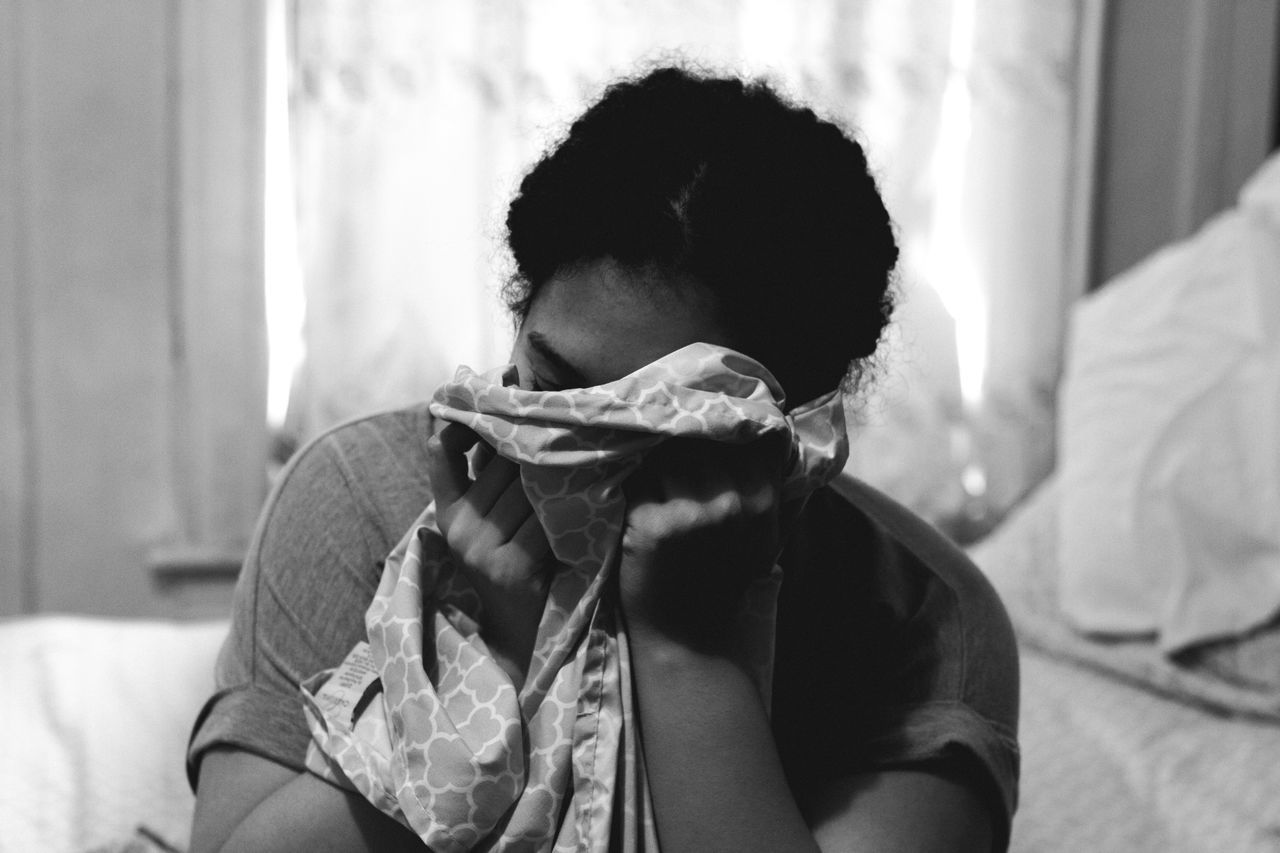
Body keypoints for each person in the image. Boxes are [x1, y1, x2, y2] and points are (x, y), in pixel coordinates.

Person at [186, 65, 1019, 852]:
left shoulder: (920, 614)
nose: (582, 458)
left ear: (797, 430)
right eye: (554, 385)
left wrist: (688, 653)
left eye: (658, 436)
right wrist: (483, 658)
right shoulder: (357, 493)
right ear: (519, 312)